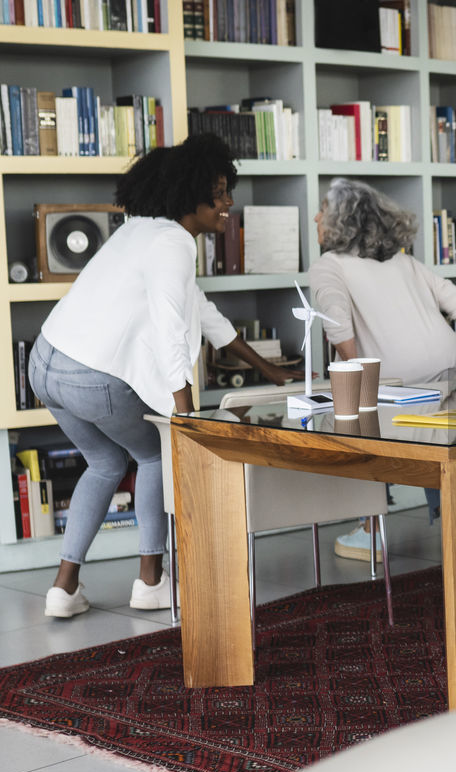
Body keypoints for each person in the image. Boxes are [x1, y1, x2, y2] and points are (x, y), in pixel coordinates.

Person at [31, 134, 300, 619]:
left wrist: (268, 370)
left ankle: (63, 589)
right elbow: (169, 328)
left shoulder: (142, 230)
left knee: (107, 464)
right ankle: (151, 582)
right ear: (191, 194)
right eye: (219, 193)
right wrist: (186, 416)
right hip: (92, 376)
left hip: (46, 364)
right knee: (157, 453)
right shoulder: (173, 243)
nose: (228, 203)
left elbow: (199, 310)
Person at [308, 177, 456, 561]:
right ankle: (453, 530)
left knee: (366, 442)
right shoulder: (404, 260)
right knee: (437, 445)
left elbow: (335, 318)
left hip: (392, 380)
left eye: (323, 208)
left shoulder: (328, 266)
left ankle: (371, 531)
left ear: (341, 220)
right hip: (447, 370)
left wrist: (356, 370)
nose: (316, 216)